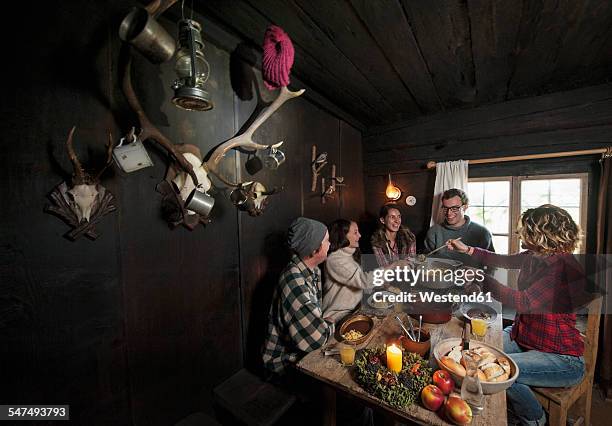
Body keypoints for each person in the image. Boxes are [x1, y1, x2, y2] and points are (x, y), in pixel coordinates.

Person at [447, 205, 588, 426]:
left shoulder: (562, 269)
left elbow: (523, 301)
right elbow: (501, 260)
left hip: (561, 357)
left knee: (501, 372)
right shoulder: (536, 256)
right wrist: (467, 250)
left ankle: (534, 419)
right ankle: (524, 411)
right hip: (524, 339)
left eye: (525, 230)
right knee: (475, 353)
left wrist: (483, 279)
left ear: (542, 235)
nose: (519, 234)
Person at [263, 217, 333, 376]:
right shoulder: (293, 281)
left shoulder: (313, 269)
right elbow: (317, 339)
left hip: (303, 350)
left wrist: (322, 325)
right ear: (315, 249)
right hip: (283, 363)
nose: (330, 244)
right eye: (327, 241)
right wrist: (329, 324)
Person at [323, 219, 408, 323]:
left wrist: (383, 286)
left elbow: (359, 284)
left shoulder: (349, 255)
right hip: (337, 317)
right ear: (343, 235)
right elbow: (363, 281)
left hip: (355, 310)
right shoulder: (335, 259)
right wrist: (393, 266)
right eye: (355, 232)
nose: (359, 236)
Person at [425, 188, 494, 267]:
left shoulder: (482, 233)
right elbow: (426, 262)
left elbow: (492, 266)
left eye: (454, 208)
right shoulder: (434, 232)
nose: (449, 213)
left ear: (465, 207)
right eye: (445, 208)